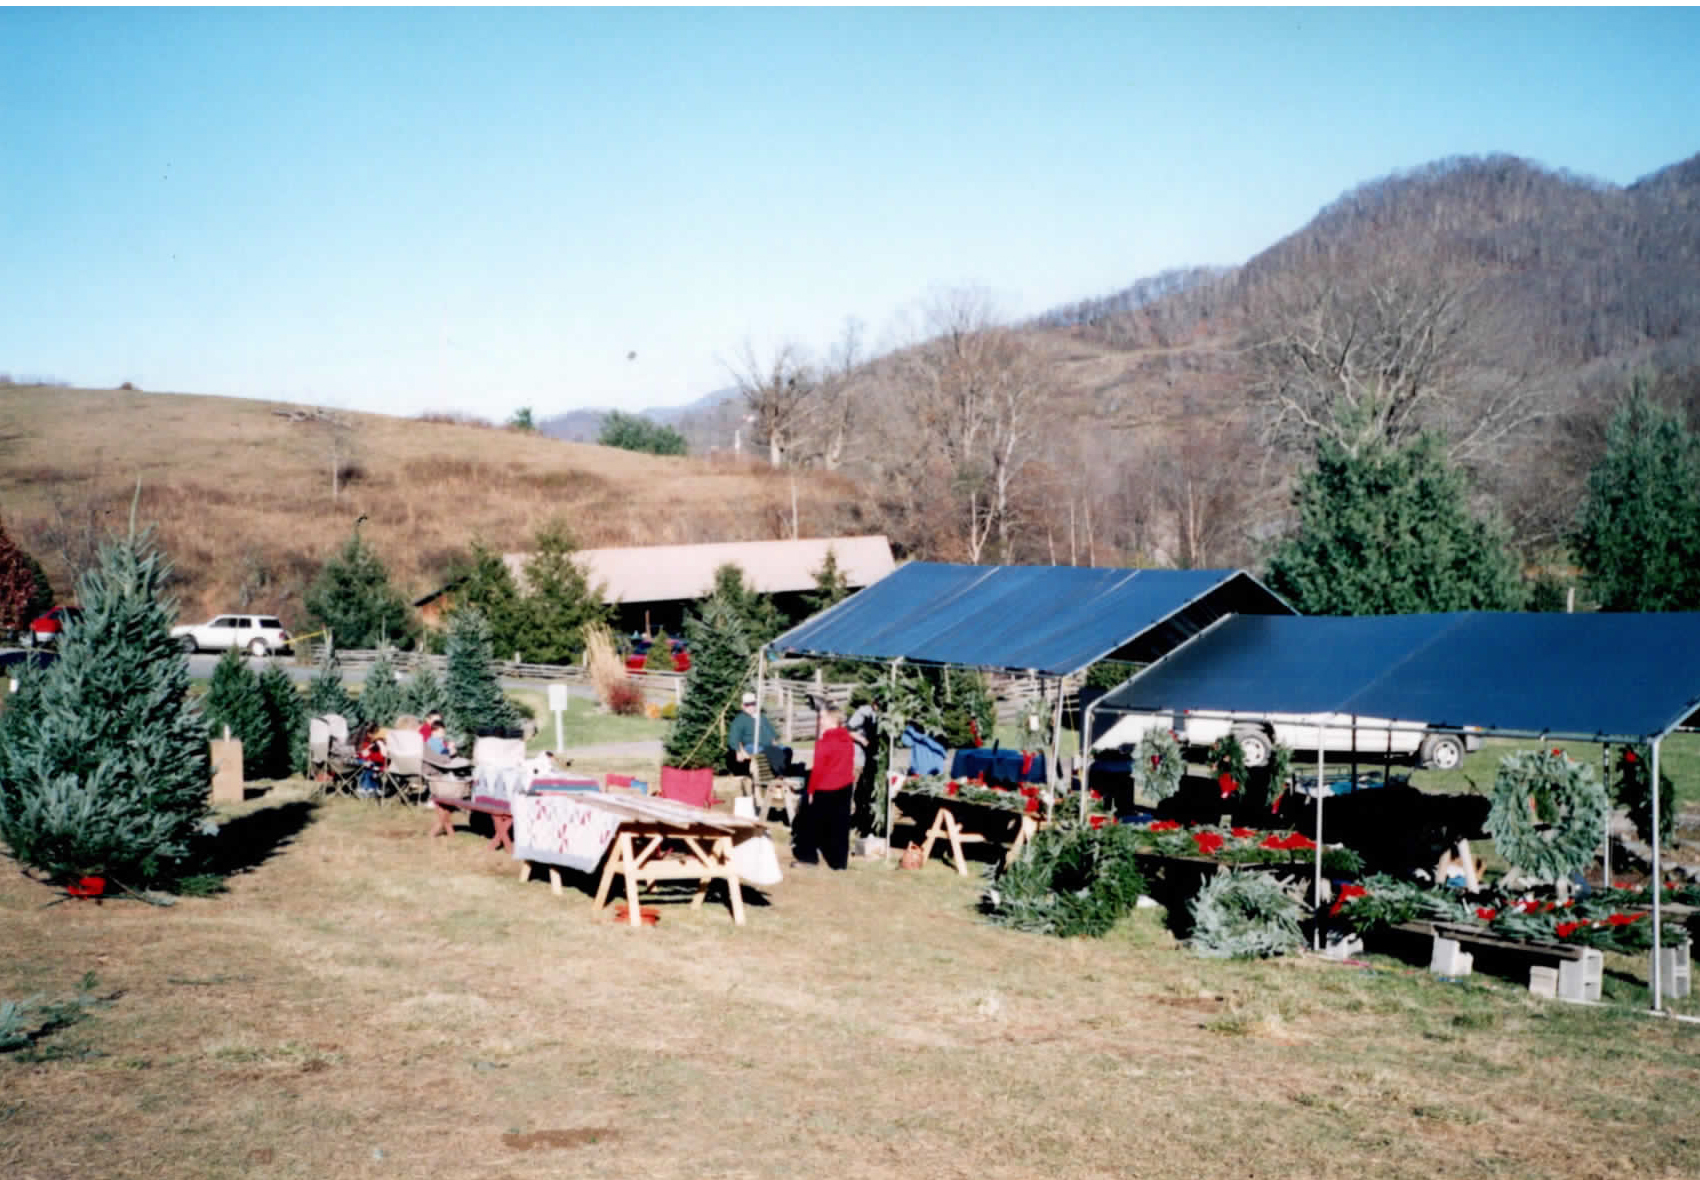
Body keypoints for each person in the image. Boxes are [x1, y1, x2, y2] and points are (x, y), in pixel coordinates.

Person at [792, 707, 856, 870]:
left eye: (822, 718)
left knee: (810, 822)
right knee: (840, 825)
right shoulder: (848, 740)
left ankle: (808, 858)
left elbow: (818, 770)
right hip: (845, 786)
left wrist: (811, 791)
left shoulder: (824, 743)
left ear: (832, 720)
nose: (819, 721)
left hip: (825, 787)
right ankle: (839, 863)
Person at [726, 691, 796, 779]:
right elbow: (734, 738)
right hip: (752, 746)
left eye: (753, 704)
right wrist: (739, 752)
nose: (751, 706)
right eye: (747, 704)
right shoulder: (740, 720)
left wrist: (775, 743)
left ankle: (783, 772)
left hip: (768, 745)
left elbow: (771, 734)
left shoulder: (761, 717)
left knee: (787, 750)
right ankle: (779, 775)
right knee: (772, 751)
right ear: (743, 706)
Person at [354, 723, 388, 799]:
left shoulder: (377, 742)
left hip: (375, 763)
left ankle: (368, 788)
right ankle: (368, 788)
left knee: (370, 767)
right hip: (369, 762)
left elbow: (382, 755)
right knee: (369, 767)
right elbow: (364, 754)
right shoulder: (369, 742)